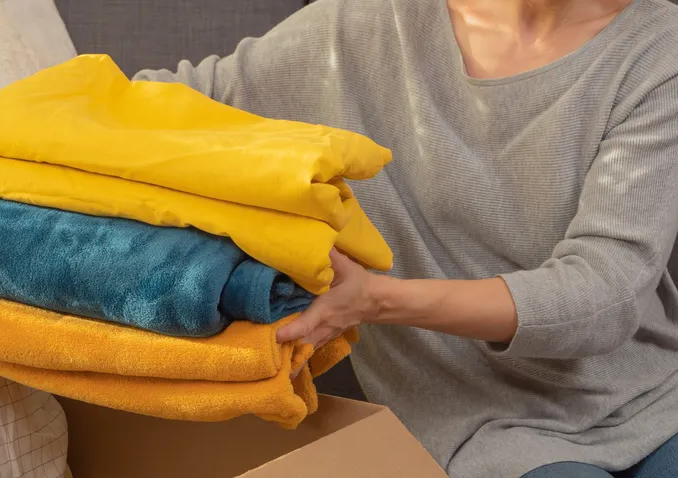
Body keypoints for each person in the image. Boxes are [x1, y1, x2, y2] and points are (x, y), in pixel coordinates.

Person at [133, 0, 678, 476]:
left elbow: (605, 292)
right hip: (482, 427)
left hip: (655, 402)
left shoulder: (658, 50)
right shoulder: (358, 29)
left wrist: (376, 300)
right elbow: (159, 104)